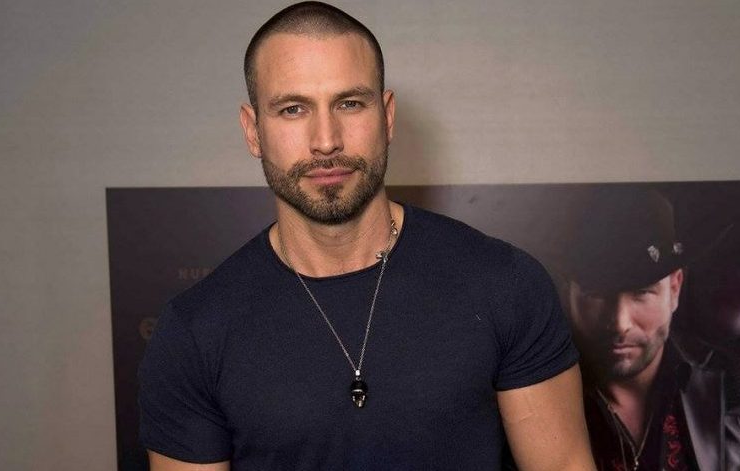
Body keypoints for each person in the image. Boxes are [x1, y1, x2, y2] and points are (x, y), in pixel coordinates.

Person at [138, 2, 595, 470]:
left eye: (350, 104)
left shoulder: (505, 284)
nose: (326, 140)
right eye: (293, 109)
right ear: (253, 131)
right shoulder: (195, 331)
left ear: (387, 116)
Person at [559, 188, 740, 471]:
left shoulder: (734, 395)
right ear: (568, 296)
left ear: (675, 288)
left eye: (641, 293)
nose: (620, 323)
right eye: (597, 294)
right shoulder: (536, 395)